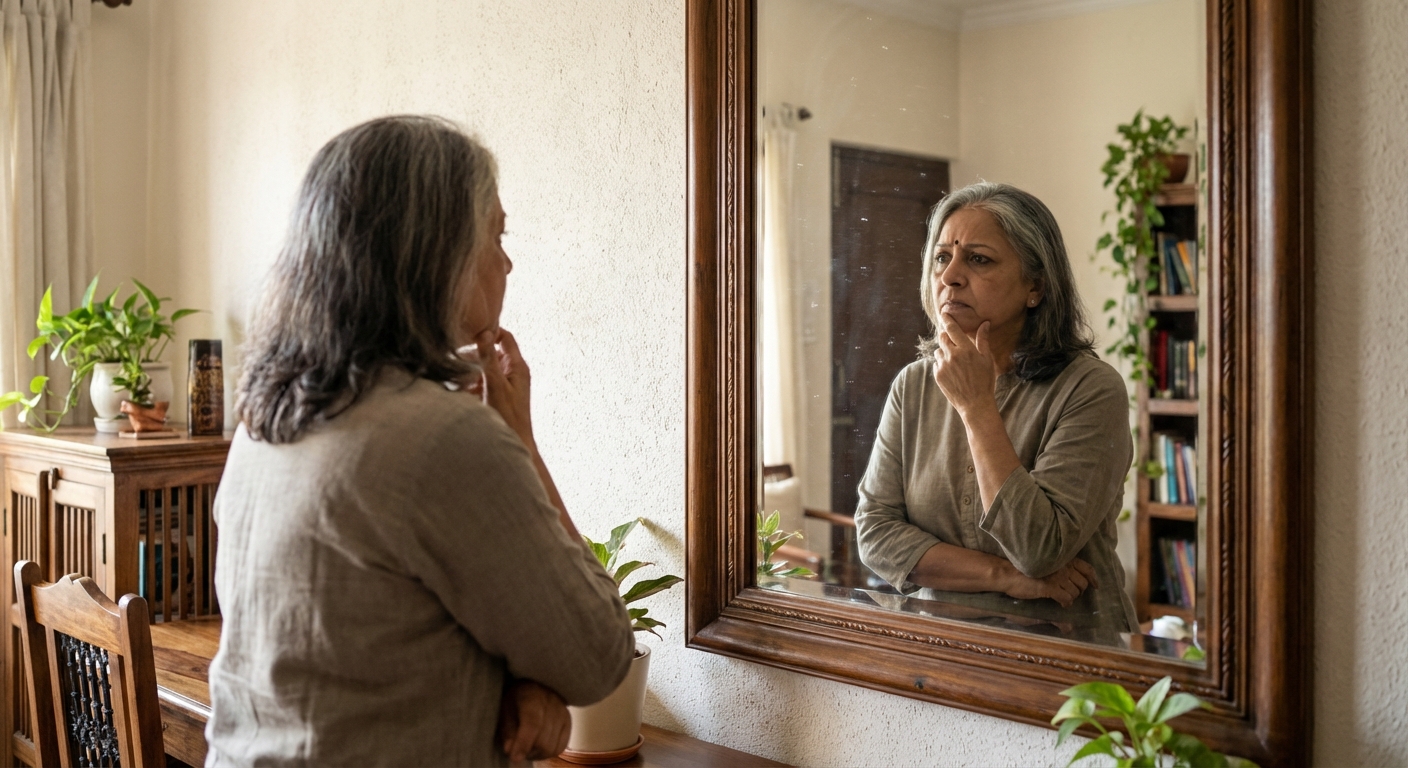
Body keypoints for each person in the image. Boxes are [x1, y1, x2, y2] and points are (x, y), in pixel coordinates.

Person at [206, 115, 635, 766]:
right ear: (437, 254)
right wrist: (519, 438)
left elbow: (367, 643)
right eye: (496, 234)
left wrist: (503, 686)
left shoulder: (266, 422)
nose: (508, 260)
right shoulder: (444, 440)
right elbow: (597, 656)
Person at [854, 182, 1138, 637]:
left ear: (1036, 287)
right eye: (942, 257)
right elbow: (875, 536)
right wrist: (1005, 577)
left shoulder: (1091, 389)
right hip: (939, 650)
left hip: (1067, 662)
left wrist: (976, 408)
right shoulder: (913, 385)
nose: (950, 276)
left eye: (978, 259)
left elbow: (1040, 549)